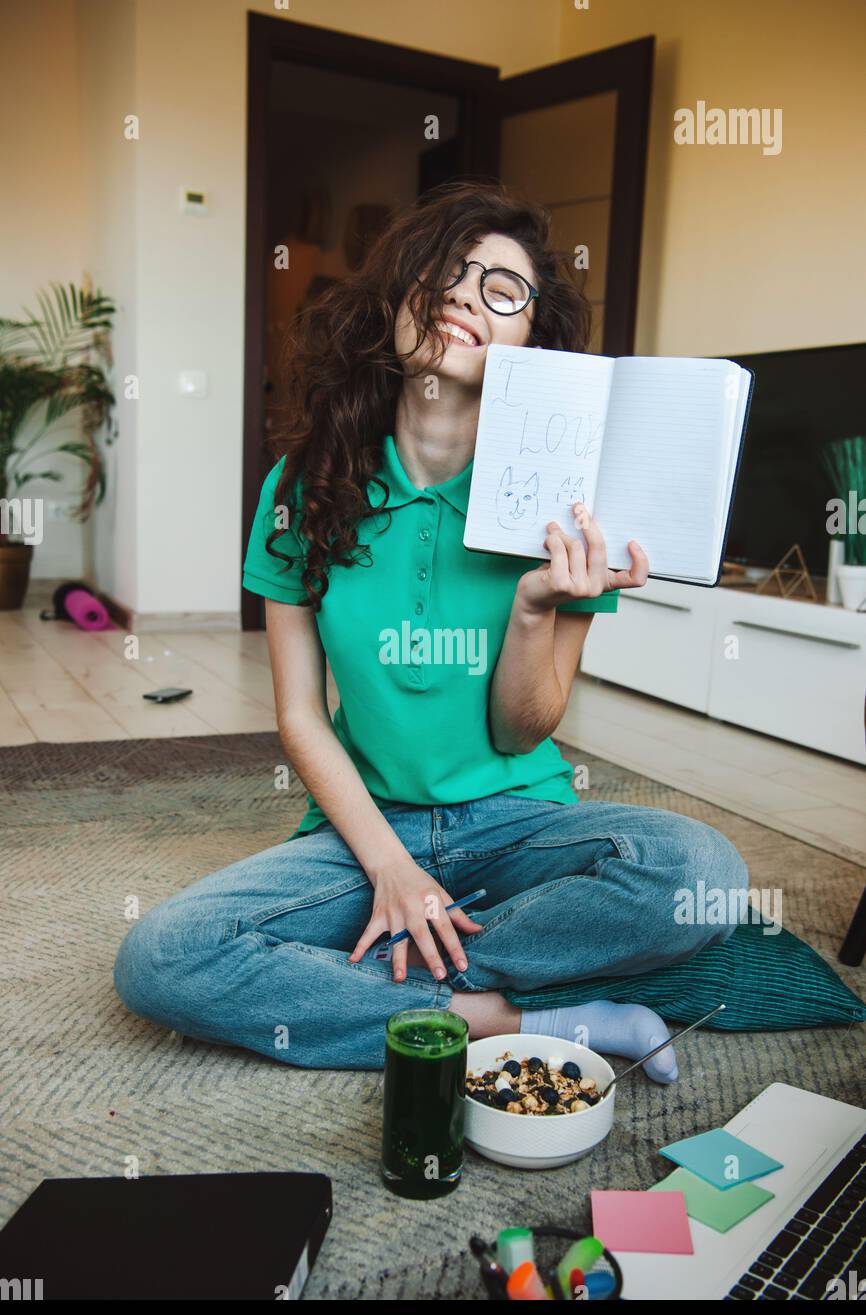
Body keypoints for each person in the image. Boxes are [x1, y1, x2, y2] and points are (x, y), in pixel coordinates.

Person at [114, 181, 747, 1080]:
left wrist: (535, 609)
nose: (465, 297)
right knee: (162, 957)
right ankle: (504, 1013)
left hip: (521, 824)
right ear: (396, 298)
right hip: (368, 826)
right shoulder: (303, 487)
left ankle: (368, 988)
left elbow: (521, 731)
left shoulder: (574, 510)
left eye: (504, 290)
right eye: (446, 273)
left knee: (702, 875)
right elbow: (301, 716)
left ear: (533, 341)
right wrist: (391, 870)